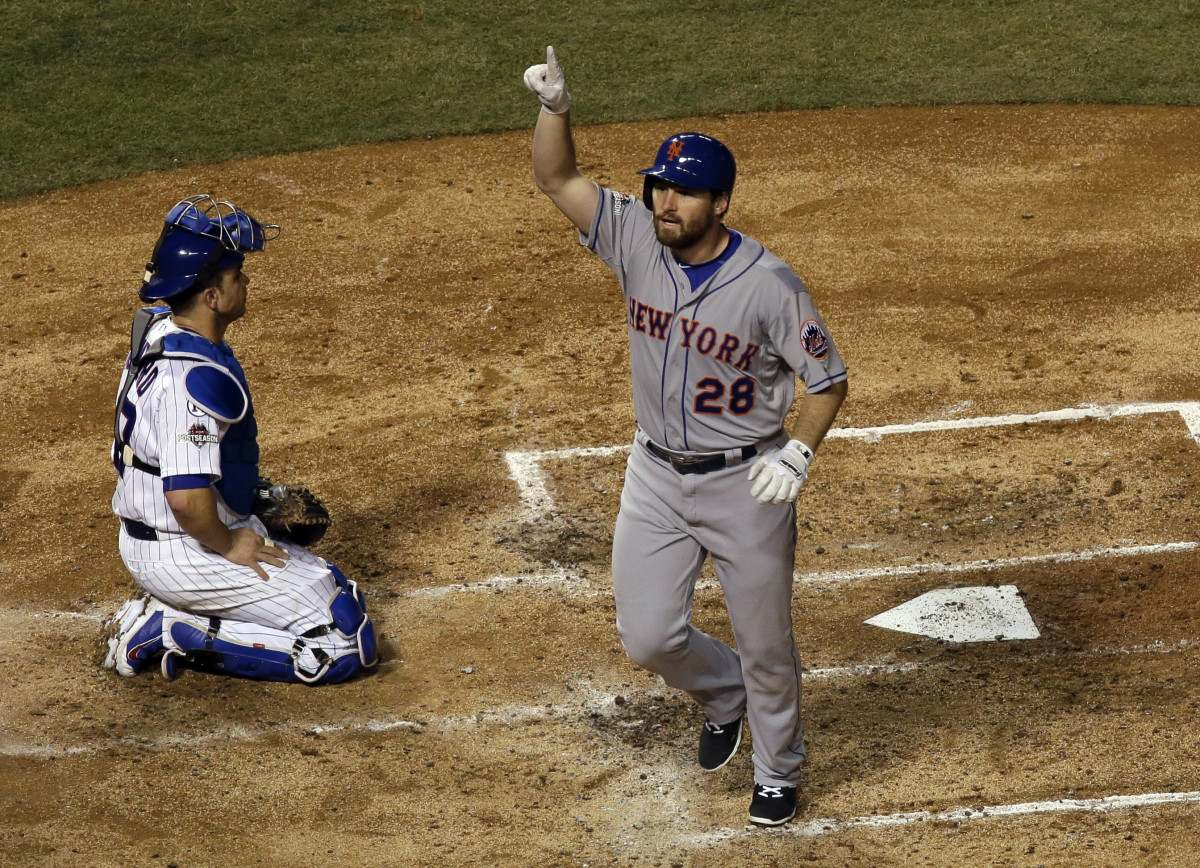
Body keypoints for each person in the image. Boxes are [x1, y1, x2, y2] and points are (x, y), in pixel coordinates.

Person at [523, 47, 848, 826]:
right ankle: (723, 691)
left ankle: (778, 771)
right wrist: (555, 111)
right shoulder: (635, 238)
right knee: (649, 637)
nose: (666, 202)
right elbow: (557, 179)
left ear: (721, 202)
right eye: (660, 186)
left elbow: (827, 381)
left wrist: (798, 452)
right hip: (656, 477)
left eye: (686, 191)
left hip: (746, 483)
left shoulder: (770, 285)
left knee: (767, 643)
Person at [102, 195, 378, 685]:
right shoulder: (189, 383)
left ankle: (188, 603)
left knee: (333, 586)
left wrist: (246, 496)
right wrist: (230, 541)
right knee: (343, 641)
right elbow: (186, 500)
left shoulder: (161, 329)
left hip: (162, 528)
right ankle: (167, 628)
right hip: (184, 546)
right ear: (210, 296)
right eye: (236, 275)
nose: (245, 281)